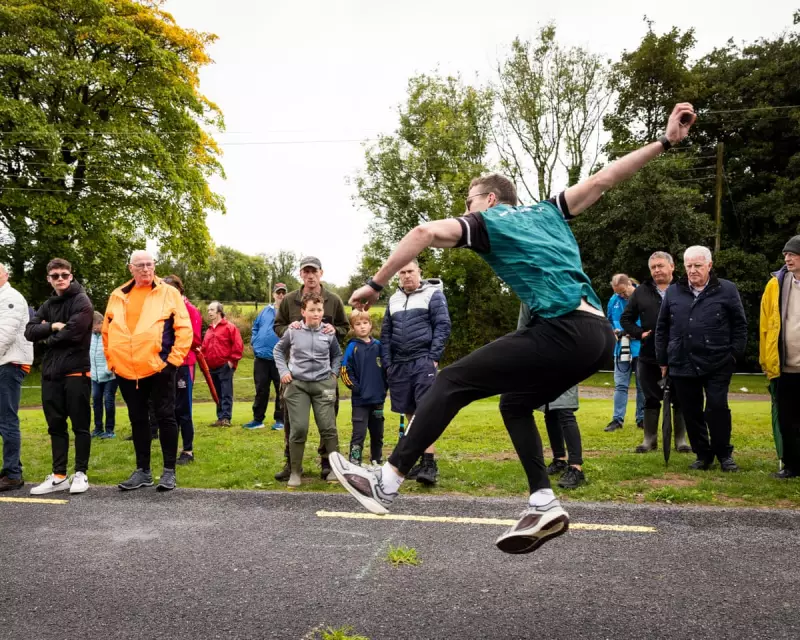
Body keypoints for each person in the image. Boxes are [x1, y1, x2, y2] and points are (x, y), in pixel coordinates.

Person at [329, 103, 697, 555]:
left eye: (469, 200)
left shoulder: (487, 222)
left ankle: (386, 482)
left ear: (489, 199)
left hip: (564, 331)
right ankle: (543, 501)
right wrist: (664, 141)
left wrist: (374, 284)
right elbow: (605, 178)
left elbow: (423, 233)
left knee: (451, 381)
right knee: (515, 403)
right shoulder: (551, 210)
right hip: (598, 336)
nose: (465, 208)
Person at [103, 250, 192, 491]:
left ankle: (169, 471)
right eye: (140, 265)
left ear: (154, 266)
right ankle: (143, 471)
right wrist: (112, 361)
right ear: (130, 268)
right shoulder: (117, 295)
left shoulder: (169, 292)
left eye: (149, 264)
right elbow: (107, 331)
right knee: (138, 419)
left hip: (159, 368)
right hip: (125, 370)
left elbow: (185, 329)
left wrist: (172, 362)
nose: (145, 269)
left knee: (166, 417)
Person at [656, 246, 747, 472]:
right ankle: (702, 455)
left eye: (697, 265)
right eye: (688, 266)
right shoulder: (674, 292)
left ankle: (724, 454)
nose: (692, 270)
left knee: (717, 407)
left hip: (719, 360)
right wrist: (663, 360)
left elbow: (740, 325)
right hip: (682, 359)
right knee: (691, 410)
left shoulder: (727, 289)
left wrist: (734, 354)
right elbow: (662, 327)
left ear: (709, 265)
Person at [273, 256, 348, 481]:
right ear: (301, 274)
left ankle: (327, 464)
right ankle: (291, 465)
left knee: (328, 422)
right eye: (306, 271)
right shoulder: (289, 300)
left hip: (324, 373)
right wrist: (291, 330)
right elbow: (278, 326)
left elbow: (344, 328)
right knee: (293, 423)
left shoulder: (334, 300)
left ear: (320, 273)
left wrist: (333, 330)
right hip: (294, 373)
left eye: (314, 271)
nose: (310, 275)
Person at [24, 259, 94, 495]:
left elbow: (74, 333)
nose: (60, 279)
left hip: (76, 372)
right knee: (55, 426)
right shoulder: (48, 304)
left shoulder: (82, 301)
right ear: (49, 279)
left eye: (64, 274)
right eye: (55, 276)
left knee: (80, 426)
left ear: (71, 276)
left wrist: (46, 339)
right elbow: (29, 331)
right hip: (51, 374)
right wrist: (53, 326)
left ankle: (81, 473)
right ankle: (59, 476)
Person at [500, 304, 585, 489]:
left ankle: (576, 467)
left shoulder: (567, 292)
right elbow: (523, 328)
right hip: (543, 358)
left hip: (567, 356)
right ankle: (559, 459)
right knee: (550, 410)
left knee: (564, 410)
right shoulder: (529, 297)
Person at [381, 260, 451, 485]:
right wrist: (388, 363)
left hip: (423, 360)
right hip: (399, 364)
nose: (406, 275)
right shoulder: (393, 299)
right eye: (402, 272)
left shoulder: (433, 294)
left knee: (425, 411)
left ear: (419, 271)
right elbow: (386, 333)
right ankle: (418, 461)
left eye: (410, 271)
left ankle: (429, 464)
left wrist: (433, 358)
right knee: (410, 412)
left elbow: (443, 326)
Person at [620, 252, 690, 454]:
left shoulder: (684, 288)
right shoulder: (641, 291)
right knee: (650, 397)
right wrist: (639, 333)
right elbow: (626, 319)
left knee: (680, 397)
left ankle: (681, 440)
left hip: (680, 353)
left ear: (672, 266)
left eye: (660, 266)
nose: (657, 270)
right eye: (653, 267)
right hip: (649, 354)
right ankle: (649, 440)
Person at [760, 235, 800, 479]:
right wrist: (767, 360)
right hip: (785, 367)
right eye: (786, 254)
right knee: (786, 420)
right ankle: (792, 466)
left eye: (793, 254)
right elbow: (766, 325)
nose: (787, 258)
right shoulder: (776, 284)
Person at [0, 264, 34, 492]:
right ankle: (10, 469)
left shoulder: (10, 297)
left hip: (9, 364)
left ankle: (13, 474)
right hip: (5, 363)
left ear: (5, 275)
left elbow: (5, 334)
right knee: (3, 419)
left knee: (7, 420)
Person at [162, 275, 202, 464]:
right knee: (169, 408)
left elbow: (195, 340)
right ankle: (172, 447)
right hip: (167, 363)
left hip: (185, 364)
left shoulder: (190, 310)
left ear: (179, 290)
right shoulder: (165, 310)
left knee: (183, 409)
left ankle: (188, 450)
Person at [341, 310, 387, 466]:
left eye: (365, 323)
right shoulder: (352, 347)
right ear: (353, 328)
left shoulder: (379, 346)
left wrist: (384, 388)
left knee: (377, 433)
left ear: (370, 325)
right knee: (359, 433)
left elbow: (387, 368)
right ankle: (354, 461)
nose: (362, 327)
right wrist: (356, 388)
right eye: (358, 324)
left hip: (378, 400)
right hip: (360, 401)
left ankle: (377, 459)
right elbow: (345, 370)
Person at [604, 274, 645, 432]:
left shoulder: (643, 296)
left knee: (642, 386)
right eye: (617, 293)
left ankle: (642, 419)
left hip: (640, 349)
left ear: (629, 284)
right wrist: (613, 331)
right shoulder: (614, 300)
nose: (621, 295)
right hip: (621, 348)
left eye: (622, 292)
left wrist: (630, 332)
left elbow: (649, 322)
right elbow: (608, 320)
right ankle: (617, 419)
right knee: (620, 385)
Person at [244, 283, 287, 430]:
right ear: (273, 294)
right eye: (278, 292)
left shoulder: (288, 311)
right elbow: (255, 327)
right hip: (261, 357)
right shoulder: (264, 311)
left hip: (280, 358)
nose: (281, 295)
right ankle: (258, 420)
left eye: (283, 293)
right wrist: (254, 341)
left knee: (281, 390)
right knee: (261, 389)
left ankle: (280, 420)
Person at [202, 301, 244, 427]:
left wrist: (231, 362)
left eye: (212, 310)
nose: (209, 312)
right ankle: (220, 417)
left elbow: (238, 345)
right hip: (211, 367)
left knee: (226, 393)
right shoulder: (209, 330)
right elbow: (204, 347)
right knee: (217, 394)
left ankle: (226, 418)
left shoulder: (230, 327)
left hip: (225, 366)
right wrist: (204, 362)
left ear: (219, 312)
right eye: (208, 310)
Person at [90, 311, 117, 439]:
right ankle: (98, 428)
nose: (93, 329)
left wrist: (108, 370)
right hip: (95, 377)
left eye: (94, 325)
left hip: (110, 376)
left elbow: (115, 354)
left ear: (101, 323)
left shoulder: (110, 335)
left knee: (108, 402)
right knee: (96, 401)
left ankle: (110, 430)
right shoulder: (90, 337)